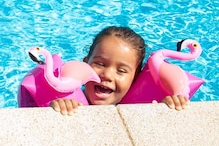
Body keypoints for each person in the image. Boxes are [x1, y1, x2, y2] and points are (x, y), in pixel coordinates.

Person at [49, 26, 189, 115]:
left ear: (135, 78)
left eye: (121, 71)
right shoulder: (69, 100)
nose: (108, 75)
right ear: (85, 64)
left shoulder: (144, 107)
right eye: (100, 64)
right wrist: (58, 107)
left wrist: (167, 109)